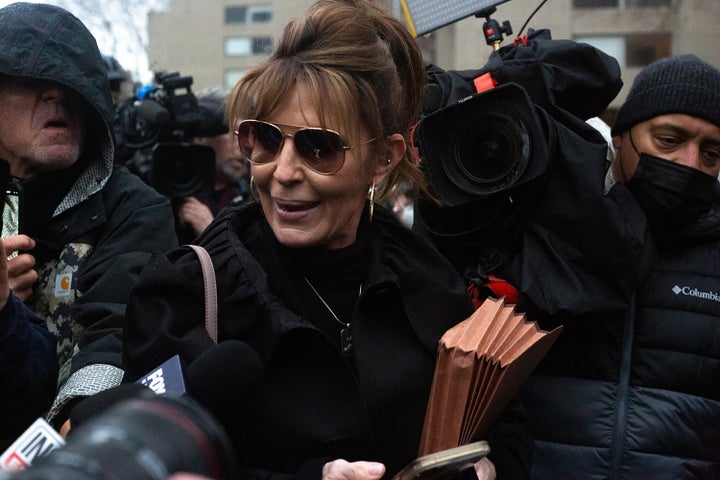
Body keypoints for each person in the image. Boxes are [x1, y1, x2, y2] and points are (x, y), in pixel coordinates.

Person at [122, 0, 532, 479]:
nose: (284, 173)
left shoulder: (428, 280)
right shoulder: (190, 290)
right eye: (267, 140)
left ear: (384, 158)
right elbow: (148, 456)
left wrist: (486, 465)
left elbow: (505, 426)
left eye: (320, 146)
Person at [517, 54, 720, 478]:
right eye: (669, 140)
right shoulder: (553, 231)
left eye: (711, 152)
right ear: (620, 138)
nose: (689, 163)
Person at [0, 2, 178, 445]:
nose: (56, 96)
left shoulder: (134, 209)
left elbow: (120, 333)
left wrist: (80, 429)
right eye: (29, 80)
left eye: (70, 84)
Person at [176, 87, 251, 240]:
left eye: (248, 134)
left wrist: (210, 231)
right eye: (234, 133)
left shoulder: (256, 199)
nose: (247, 144)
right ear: (201, 136)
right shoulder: (172, 194)